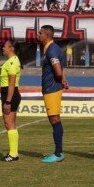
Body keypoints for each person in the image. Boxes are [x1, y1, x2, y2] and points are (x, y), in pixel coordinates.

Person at [38, 25, 68, 163]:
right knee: (54, 119)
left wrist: (60, 78)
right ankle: (58, 152)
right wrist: (62, 79)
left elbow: (57, 70)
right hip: (51, 87)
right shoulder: (51, 49)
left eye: (40, 33)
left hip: (52, 88)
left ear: (47, 35)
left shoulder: (51, 50)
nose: (38, 35)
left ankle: (58, 153)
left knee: (54, 119)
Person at [0, 40, 22, 162]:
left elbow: (12, 84)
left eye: (5, 46)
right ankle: (13, 153)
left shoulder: (12, 62)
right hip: (8, 93)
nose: (3, 48)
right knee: (11, 124)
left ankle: (13, 154)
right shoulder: (11, 61)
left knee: (9, 124)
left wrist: (7, 101)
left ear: (11, 48)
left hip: (9, 94)